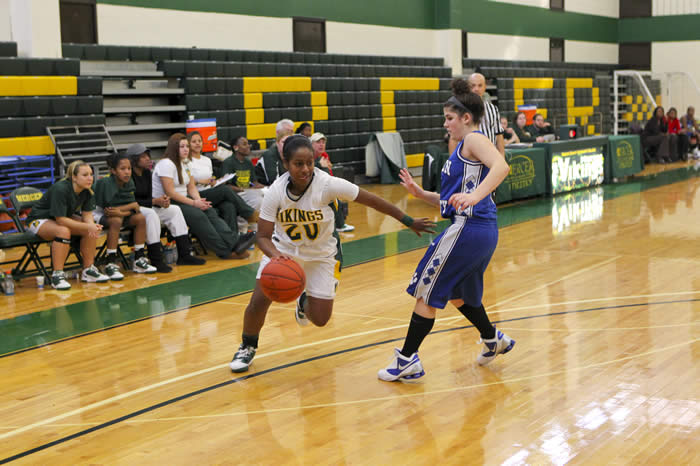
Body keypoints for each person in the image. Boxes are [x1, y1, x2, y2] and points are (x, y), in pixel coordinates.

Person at [229, 135, 436, 373]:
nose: (305, 169)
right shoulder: (276, 191)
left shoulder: (328, 184)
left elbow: (373, 201)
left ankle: (303, 301)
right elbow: (263, 236)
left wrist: (408, 220)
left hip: (321, 255)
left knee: (320, 319)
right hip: (283, 251)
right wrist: (275, 256)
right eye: (298, 164)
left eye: (310, 163)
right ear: (286, 163)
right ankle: (247, 346)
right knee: (258, 301)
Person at [377, 79, 514, 382]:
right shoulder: (463, 147)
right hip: (478, 230)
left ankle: (407, 360)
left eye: (449, 118)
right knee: (457, 293)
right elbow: (452, 198)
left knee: (425, 291)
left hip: (468, 228)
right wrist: (420, 193)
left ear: (466, 118)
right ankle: (492, 339)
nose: (445, 123)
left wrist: (475, 196)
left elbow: (501, 167)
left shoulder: (474, 139)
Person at [152, 133, 256, 260]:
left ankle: (235, 243)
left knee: (209, 210)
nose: (186, 149)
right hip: (168, 202)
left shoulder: (186, 163)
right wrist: (194, 203)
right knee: (199, 216)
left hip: (185, 199)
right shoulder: (166, 164)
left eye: (187, 146)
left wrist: (198, 200)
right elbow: (170, 193)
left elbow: (191, 187)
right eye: (182, 147)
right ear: (174, 148)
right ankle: (225, 251)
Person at [25, 160, 109, 289]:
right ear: (74, 177)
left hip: (60, 217)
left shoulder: (88, 190)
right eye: (85, 175)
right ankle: (57, 275)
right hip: (38, 219)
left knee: (90, 229)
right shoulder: (61, 188)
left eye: (91, 174)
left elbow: (87, 215)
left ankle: (88, 270)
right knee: (63, 231)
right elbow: (61, 220)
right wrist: (88, 226)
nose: (90, 178)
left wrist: (91, 226)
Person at [128, 143, 205, 268]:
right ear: (134, 159)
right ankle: (156, 260)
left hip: (147, 206)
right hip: (133, 210)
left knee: (175, 210)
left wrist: (162, 201)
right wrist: (154, 202)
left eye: (148, 155)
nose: (147, 158)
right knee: (151, 215)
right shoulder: (128, 175)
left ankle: (184, 255)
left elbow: (149, 196)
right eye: (143, 156)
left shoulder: (147, 173)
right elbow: (131, 200)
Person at [93, 153, 158, 279]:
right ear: (113, 171)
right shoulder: (106, 183)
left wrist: (124, 211)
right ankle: (111, 262)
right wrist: (128, 208)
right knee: (116, 220)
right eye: (122, 169)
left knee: (140, 218)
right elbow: (109, 211)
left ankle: (139, 259)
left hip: (118, 214)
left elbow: (135, 209)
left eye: (129, 168)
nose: (127, 172)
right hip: (96, 213)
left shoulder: (129, 182)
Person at [186, 131, 258, 237]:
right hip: (196, 195)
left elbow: (210, 178)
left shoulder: (207, 160)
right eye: (194, 141)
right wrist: (201, 181)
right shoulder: (186, 161)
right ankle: (249, 213)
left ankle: (233, 239)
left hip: (210, 190)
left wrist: (214, 181)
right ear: (188, 144)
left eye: (199, 141)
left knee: (229, 206)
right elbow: (186, 182)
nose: (197, 143)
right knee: (225, 189)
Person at [310, 132, 354, 233]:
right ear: (311, 144)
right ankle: (339, 225)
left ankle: (338, 224)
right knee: (333, 200)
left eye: (323, 142)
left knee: (336, 199)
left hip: (321, 188)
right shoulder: (308, 156)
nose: (321, 144)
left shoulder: (324, 156)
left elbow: (328, 175)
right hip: (310, 190)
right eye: (318, 142)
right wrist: (318, 165)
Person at [220, 136, 265, 214]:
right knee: (259, 201)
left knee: (268, 196)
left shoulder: (248, 162)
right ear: (236, 147)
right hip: (236, 194)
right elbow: (226, 186)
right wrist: (243, 189)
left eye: (248, 144)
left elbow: (254, 182)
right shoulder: (228, 163)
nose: (248, 146)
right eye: (244, 144)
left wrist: (263, 187)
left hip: (248, 192)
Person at [468, 73, 505, 156]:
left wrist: (502, 157)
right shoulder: (460, 109)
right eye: (473, 86)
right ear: (468, 87)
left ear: (485, 87)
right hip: (469, 158)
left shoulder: (493, 109)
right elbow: (453, 139)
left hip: (490, 157)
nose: (476, 89)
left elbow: (499, 135)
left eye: (480, 85)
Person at [256, 119, 294, 186]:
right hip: (265, 188)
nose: (287, 144)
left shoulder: (292, 154)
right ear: (277, 143)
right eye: (283, 142)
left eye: (291, 131)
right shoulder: (269, 155)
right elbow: (273, 181)